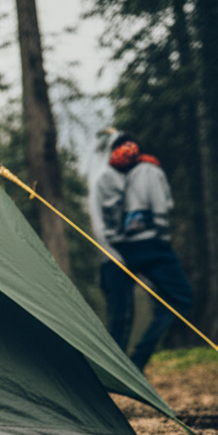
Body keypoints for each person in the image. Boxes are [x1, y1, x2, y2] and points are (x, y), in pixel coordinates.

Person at [89, 132, 193, 370]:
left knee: (178, 298)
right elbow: (98, 226)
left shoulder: (145, 171)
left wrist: (161, 239)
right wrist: (114, 258)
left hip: (146, 247)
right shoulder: (103, 180)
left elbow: (160, 206)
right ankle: (117, 371)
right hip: (120, 252)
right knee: (120, 316)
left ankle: (136, 361)